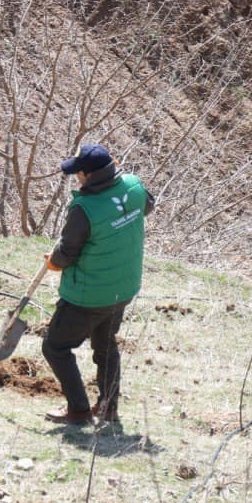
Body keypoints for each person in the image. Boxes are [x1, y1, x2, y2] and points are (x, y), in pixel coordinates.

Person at [41, 143, 152, 425]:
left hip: (88, 295)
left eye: (78, 172)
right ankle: (108, 407)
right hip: (122, 287)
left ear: (89, 175)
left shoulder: (85, 208)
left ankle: (78, 410)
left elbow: (67, 253)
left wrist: (54, 261)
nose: (76, 177)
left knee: (55, 347)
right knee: (105, 345)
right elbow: (146, 207)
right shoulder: (134, 187)